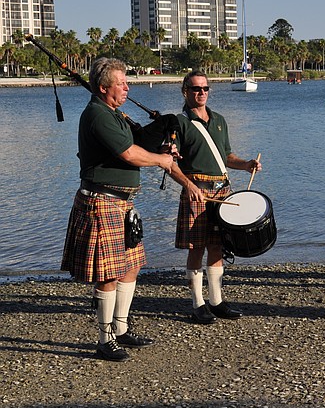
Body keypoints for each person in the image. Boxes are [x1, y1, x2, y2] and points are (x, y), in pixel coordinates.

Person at [61, 57, 175, 362]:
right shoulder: (98, 115)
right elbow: (128, 154)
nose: (127, 88)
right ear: (103, 87)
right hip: (102, 201)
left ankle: (121, 328)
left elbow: (135, 145)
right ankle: (105, 339)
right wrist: (162, 160)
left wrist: (160, 148)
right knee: (109, 274)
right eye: (121, 83)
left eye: (126, 82)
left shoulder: (113, 114)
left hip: (122, 203)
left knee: (130, 266)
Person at [167, 71, 261, 324]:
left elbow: (227, 157)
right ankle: (198, 304)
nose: (201, 93)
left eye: (205, 88)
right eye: (196, 88)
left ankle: (217, 302)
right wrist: (188, 185)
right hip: (196, 192)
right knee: (196, 248)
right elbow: (169, 164)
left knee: (218, 246)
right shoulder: (178, 123)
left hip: (222, 191)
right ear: (185, 91)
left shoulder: (219, 120)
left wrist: (246, 165)